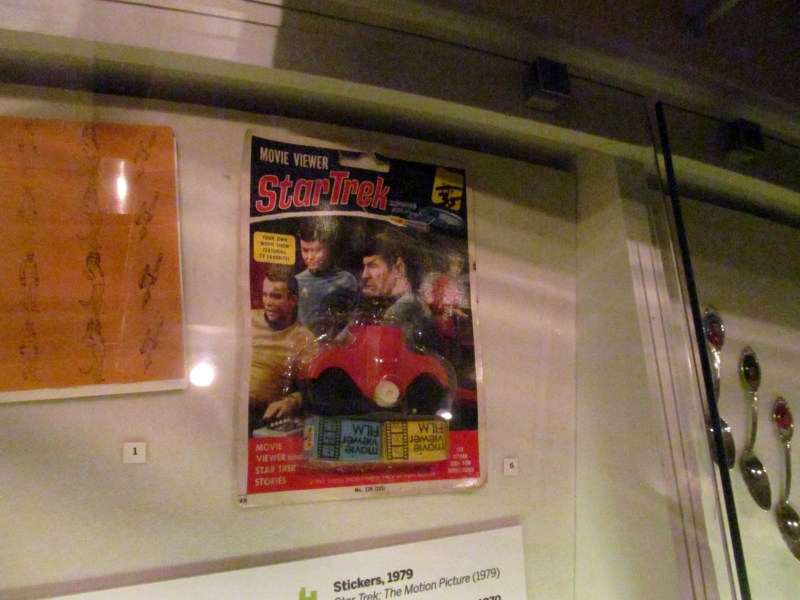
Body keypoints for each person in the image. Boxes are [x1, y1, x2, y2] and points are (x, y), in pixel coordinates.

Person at [249, 266, 317, 434]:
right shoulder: (248, 319)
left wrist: (291, 402)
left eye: (276, 296)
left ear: (293, 300)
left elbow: (312, 391)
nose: (268, 302)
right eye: (265, 295)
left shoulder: (304, 338)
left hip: (262, 418)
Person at [360, 229, 439, 353]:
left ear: (398, 268)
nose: (365, 275)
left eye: (373, 266)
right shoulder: (410, 303)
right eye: (364, 267)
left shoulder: (402, 311)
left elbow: (382, 354)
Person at [295, 218, 358, 339]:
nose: (310, 257)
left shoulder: (346, 280)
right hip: (304, 345)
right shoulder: (297, 281)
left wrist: (341, 337)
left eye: (317, 250)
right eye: (305, 250)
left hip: (336, 345)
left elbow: (355, 317)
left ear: (329, 247)